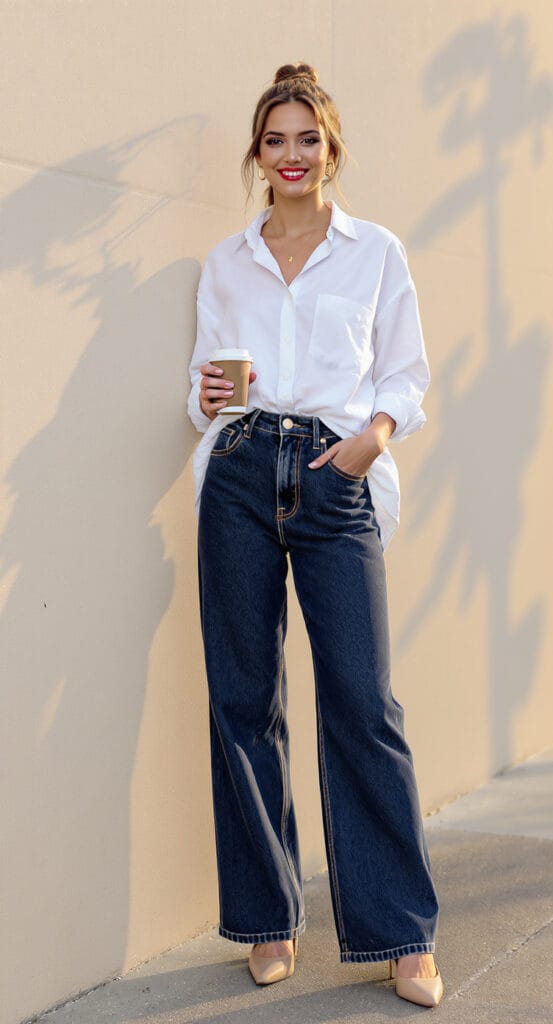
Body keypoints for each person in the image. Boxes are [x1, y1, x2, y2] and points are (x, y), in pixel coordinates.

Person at [186, 62, 443, 1009]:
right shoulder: (227, 262)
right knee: (243, 699)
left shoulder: (374, 252)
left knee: (363, 703)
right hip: (241, 469)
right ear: (257, 155)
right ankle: (268, 919)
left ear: (331, 149)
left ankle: (401, 934)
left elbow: (404, 375)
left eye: (307, 138)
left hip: (337, 476)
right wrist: (213, 394)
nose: (291, 155)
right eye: (275, 140)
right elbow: (204, 390)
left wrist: (369, 442)